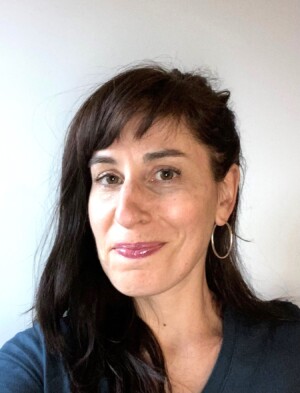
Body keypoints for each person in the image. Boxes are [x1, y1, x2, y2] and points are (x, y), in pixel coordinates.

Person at [0, 64, 300, 393]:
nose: (127, 213)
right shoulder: (39, 365)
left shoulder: (289, 351)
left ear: (225, 196)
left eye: (165, 173)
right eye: (109, 178)